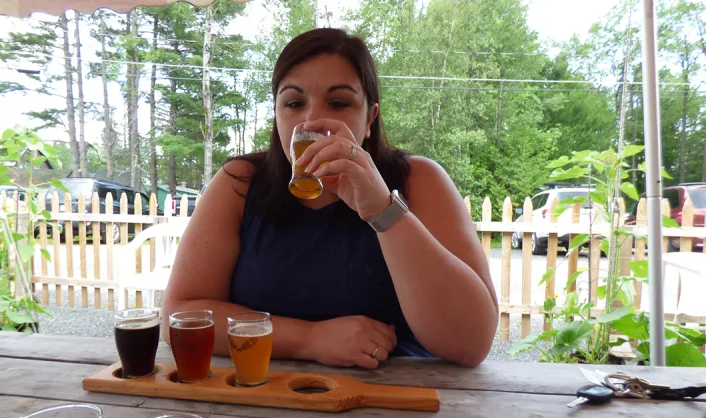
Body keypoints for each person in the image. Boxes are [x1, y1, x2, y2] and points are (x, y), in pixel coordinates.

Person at [162, 28, 497, 369]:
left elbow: (472, 343)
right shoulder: (240, 183)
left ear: (370, 119)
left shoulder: (419, 180)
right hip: (262, 396)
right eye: (294, 103)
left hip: (395, 402)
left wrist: (384, 211)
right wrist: (311, 339)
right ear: (276, 115)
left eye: (338, 103)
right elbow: (179, 317)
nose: (312, 122)